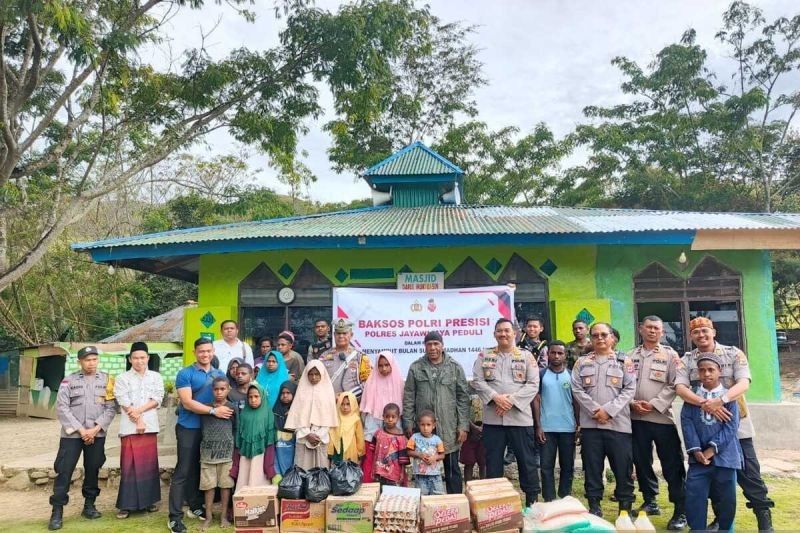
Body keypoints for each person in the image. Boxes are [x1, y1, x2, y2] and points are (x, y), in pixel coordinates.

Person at [675, 316, 775, 532]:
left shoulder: (733, 353)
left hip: (734, 422)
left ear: (714, 332)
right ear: (691, 336)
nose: (701, 335)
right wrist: (706, 403)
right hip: (703, 425)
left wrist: (721, 400)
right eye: (696, 332)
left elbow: (744, 382)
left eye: (705, 330)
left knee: (749, 472)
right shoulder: (686, 360)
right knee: (710, 474)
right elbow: (681, 388)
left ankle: (763, 516)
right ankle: (721, 520)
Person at [472, 318, 541, 506]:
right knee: (493, 462)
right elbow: (477, 381)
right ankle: (495, 505)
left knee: (526, 462)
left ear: (515, 333)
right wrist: (496, 397)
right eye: (499, 331)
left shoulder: (526, 356)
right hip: (494, 421)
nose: (503, 334)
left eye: (507, 331)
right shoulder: (484, 356)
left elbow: (534, 384)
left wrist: (510, 401)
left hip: (520, 419)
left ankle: (531, 502)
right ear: (494, 334)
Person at [627, 316, 687, 530]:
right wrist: (632, 403)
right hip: (636, 418)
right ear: (641, 329)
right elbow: (624, 384)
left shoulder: (670, 355)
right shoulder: (629, 356)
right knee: (641, 462)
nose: (652, 331)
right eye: (649, 327)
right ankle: (650, 500)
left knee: (672, 465)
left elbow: (676, 384)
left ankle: (681, 509)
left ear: (662, 332)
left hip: (661, 419)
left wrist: (653, 404)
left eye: (657, 329)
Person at [571, 322, 636, 519]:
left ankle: (624, 508)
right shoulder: (581, 363)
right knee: (592, 468)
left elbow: (630, 389)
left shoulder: (625, 362)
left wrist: (608, 411)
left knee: (622, 468)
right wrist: (594, 410)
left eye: (604, 335)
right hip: (591, 426)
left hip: (618, 426)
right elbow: (576, 389)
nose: (600, 338)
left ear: (612, 338)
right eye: (595, 335)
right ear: (590, 338)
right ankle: (594, 507)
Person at [48, 346, 116, 531]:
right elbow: (62, 408)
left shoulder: (107, 380)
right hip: (72, 435)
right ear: (80, 361)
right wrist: (81, 430)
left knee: (93, 469)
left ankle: (89, 505)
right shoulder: (68, 381)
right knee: (64, 470)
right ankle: (57, 511)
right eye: (87, 360)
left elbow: (111, 408)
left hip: (97, 433)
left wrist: (95, 429)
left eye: (94, 359)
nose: (91, 363)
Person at [168, 338, 230, 533]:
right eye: (201, 351)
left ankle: (196, 506)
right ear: (195, 352)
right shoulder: (185, 373)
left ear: (213, 352)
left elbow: (226, 396)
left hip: (212, 431)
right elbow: (187, 402)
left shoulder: (219, 374)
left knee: (199, 469)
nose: (205, 354)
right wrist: (213, 412)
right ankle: (174, 518)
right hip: (190, 427)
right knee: (183, 471)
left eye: (209, 351)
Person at [680, 353, 743, 533]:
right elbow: (687, 423)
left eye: (711, 370)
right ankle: (697, 529)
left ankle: (725, 529)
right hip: (698, 459)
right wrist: (696, 450)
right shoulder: (693, 398)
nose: (706, 374)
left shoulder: (728, 398)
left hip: (726, 457)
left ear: (719, 371)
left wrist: (712, 449)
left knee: (726, 498)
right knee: (694, 495)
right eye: (702, 370)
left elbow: (731, 428)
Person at [403, 330, 469, 494]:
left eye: (436, 344)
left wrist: (463, 425)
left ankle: (455, 506)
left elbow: (463, 398)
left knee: (452, 469)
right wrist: (408, 422)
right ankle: (427, 507)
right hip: (424, 429)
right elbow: (409, 396)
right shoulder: (416, 368)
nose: (432, 348)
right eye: (429, 344)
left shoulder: (454, 368)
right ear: (424, 346)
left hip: (448, 426)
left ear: (442, 345)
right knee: (424, 471)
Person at [114, 342, 164, 519]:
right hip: (129, 427)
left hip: (150, 427)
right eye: (135, 358)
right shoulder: (122, 378)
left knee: (148, 466)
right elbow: (123, 400)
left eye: (142, 357)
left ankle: (149, 502)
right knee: (128, 466)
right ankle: (126, 505)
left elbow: (157, 398)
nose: (139, 361)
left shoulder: (156, 377)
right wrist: (138, 419)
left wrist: (140, 414)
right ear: (130, 359)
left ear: (148, 358)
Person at [533, 340, 579, 502]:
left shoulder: (572, 375)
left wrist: (578, 425)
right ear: (548, 354)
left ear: (565, 355)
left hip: (568, 428)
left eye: (560, 353)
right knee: (546, 467)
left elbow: (576, 401)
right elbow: (536, 400)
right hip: (546, 428)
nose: (556, 356)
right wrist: (538, 426)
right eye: (553, 352)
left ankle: (565, 497)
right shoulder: (541, 374)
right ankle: (549, 498)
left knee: (568, 466)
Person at [285, 360, 338, 470]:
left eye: (317, 374)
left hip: (321, 438)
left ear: (322, 374)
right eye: (311, 374)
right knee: (301, 470)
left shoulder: (328, 392)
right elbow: (296, 417)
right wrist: (307, 434)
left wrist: (318, 434)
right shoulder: (301, 392)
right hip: (304, 437)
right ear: (306, 374)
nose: (314, 377)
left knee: (321, 472)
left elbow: (329, 418)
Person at [360, 350, 405, 482]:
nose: (383, 368)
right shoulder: (371, 381)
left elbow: (403, 404)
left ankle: (393, 484)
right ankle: (369, 486)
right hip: (373, 420)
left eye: (387, 365)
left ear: (392, 365)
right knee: (371, 454)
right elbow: (366, 406)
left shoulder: (399, 381)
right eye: (380, 365)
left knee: (392, 455)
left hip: (394, 421)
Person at [199, 377, 236, 530]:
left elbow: (236, 428)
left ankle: (223, 517)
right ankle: (208, 517)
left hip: (227, 454)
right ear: (212, 390)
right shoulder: (205, 409)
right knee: (208, 487)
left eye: (223, 389)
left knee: (225, 486)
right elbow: (182, 407)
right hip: (208, 455)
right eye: (216, 389)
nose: (219, 392)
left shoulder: (233, 408)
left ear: (228, 390)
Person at [316, 319, 372, 399]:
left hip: (352, 405)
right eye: (338, 333)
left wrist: (347, 397)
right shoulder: (324, 357)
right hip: (330, 403)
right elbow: (317, 381)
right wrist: (330, 396)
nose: (341, 336)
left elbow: (368, 382)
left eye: (344, 333)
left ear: (351, 335)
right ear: (334, 335)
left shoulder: (360, 357)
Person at [236, 382, 277, 490]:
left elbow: (270, 439)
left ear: (262, 396)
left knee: (258, 479)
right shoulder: (244, 413)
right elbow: (238, 436)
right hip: (245, 454)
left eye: (256, 396)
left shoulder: (268, 413)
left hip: (261, 454)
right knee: (244, 478)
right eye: (250, 397)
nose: (253, 400)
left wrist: (269, 465)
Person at [407, 410, 446, 496]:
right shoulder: (414, 437)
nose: (425, 428)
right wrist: (419, 454)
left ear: (433, 426)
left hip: (435, 475)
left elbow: (442, 455)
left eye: (428, 425)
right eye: (422, 425)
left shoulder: (437, 439)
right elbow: (408, 451)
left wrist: (434, 458)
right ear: (418, 425)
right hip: (420, 475)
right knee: (422, 497)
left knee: (437, 496)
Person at [372, 403, 409, 487]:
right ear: (383, 417)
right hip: (379, 473)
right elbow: (373, 452)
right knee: (381, 494)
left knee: (392, 495)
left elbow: (403, 459)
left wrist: (402, 473)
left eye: (393, 417)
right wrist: (373, 470)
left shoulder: (401, 437)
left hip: (394, 474)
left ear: (398, 418)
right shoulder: (378, 433)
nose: (390, 419)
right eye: (387, 416)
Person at [328, 391, 366, 464]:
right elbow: (332, 434)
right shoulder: (336, 418)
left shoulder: (356, 419)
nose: (345, 407)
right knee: (336, 471)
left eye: (348, 404)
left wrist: (360, 452)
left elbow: (359, 437)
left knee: (348, 469)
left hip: (350, 449)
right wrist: (330, 451)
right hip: (338, 449)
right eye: (342, 404)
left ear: (353, 404)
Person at [459, 384, 486, 483]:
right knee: (469, 462)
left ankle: (484, 488)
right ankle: (468, 489)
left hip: (485, 430)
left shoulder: (487, 387)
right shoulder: (465, 388)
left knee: (484, 462)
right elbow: (462, 411)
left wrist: (483, 427)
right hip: (469, 431)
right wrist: (473, 427)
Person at [273, 380, 297, 477]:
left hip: (293, 454)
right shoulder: (274, 412)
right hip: (278, 453)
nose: (285, 396)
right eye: (282, 393)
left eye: (288, 393)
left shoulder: (298, 413)